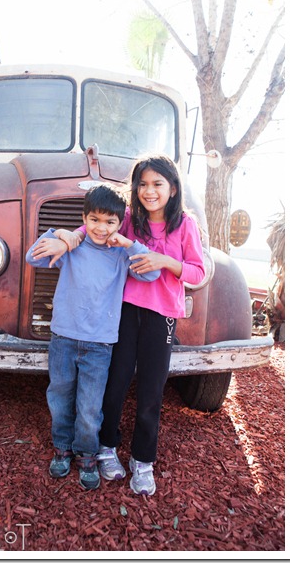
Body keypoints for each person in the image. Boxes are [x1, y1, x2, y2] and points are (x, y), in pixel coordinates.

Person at [32, 154, 205, 495]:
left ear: (173, 187)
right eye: (142, 184)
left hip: (161, 314)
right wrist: (69, 237)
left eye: (157, 184)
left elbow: (197, 272)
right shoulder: (129, 218)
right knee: (113, 383)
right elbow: (95, 226)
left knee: (152, 390)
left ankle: (142, 461)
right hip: (124, 309)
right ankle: (106, 447)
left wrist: (166, 261)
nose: (149, 191)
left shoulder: (185, 225)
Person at [25, 183, 160, 491]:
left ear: (119, 224)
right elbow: (34, 257)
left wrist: (128, 244)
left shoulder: (120, 255)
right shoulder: (72, 248)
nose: (101, 227)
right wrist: (61, 234)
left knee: (89, 406)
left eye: (110, 222)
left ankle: (87, 453)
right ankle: (62, 449)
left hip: (100, 343)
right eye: (95, 220)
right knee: (60, 397)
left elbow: (151, 273)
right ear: (84, 218)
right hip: (63, 337)